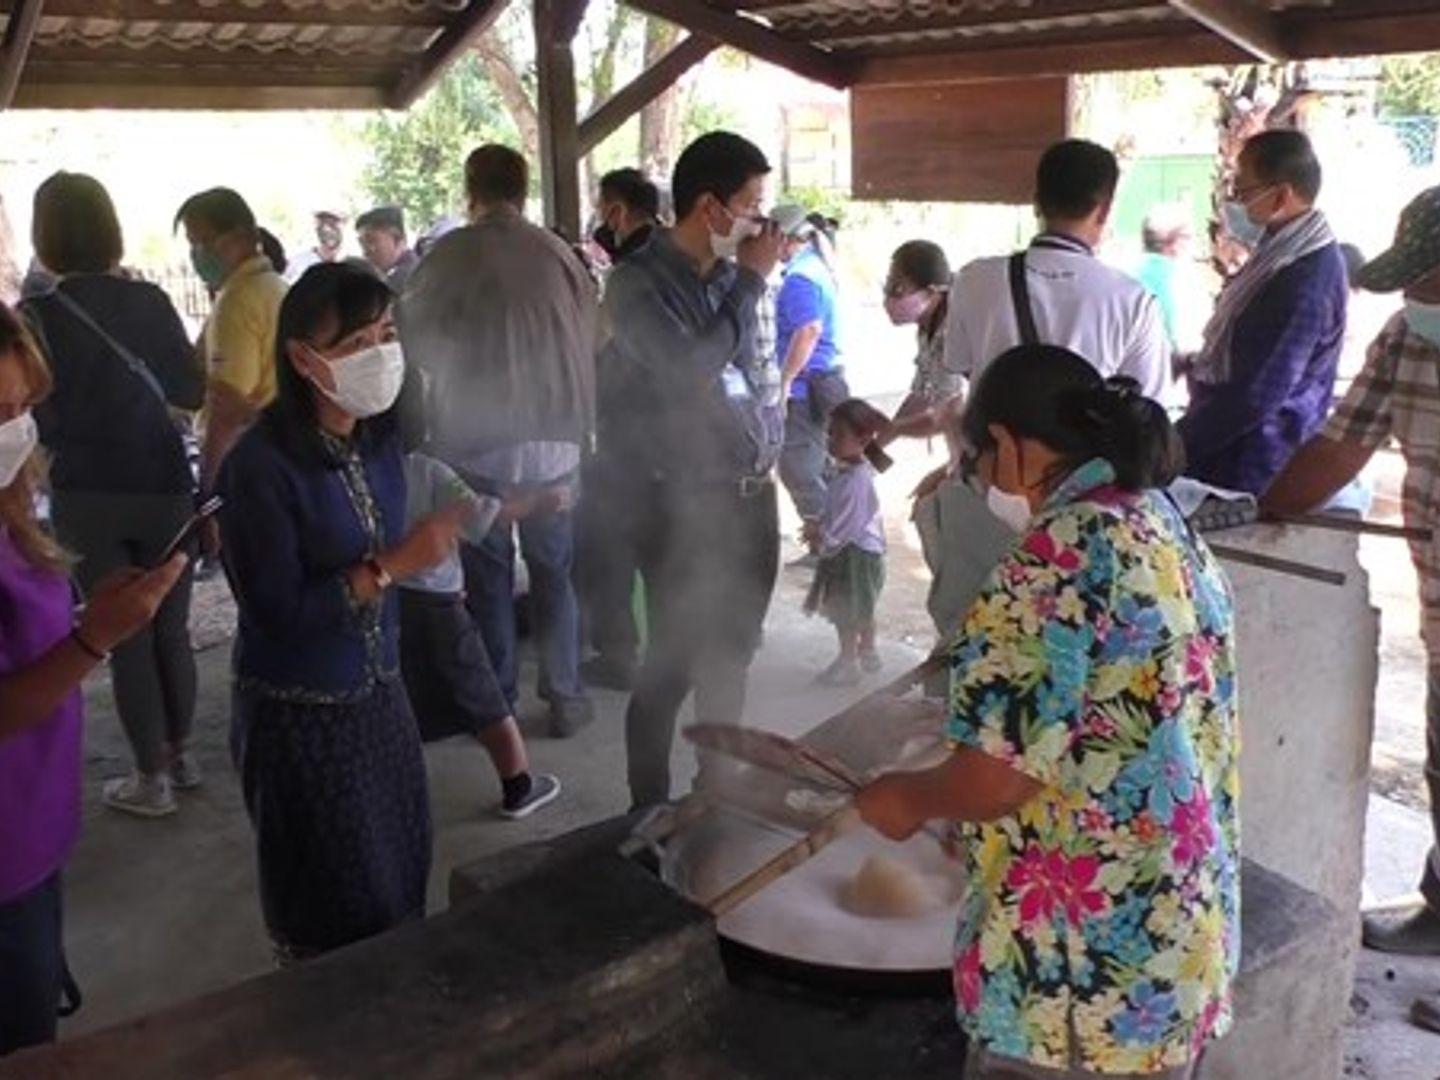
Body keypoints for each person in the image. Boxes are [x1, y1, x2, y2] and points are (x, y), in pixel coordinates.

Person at [858, 344, 1238, 1079]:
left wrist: (909, 796)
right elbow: (1115, 707)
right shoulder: (1161, 519)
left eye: (980, 456)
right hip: (1173, 943)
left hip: (1077, 976)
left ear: (1007, 443)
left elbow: (997, 782)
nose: (982, 477)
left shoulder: (1052, 555)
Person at [218, 262, 461, 963]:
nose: (380, 355)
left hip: (379, 696)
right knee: (333, 902)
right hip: (301, 716)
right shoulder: (258, 467)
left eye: (387, 334)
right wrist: (392, 567)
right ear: (302, 357)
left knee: (399, 876)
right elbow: (278, 615)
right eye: (357, 343)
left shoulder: (376, 440)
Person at [1263, 187, 1440, 1001]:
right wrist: (1262, 510)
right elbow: (1340, 444)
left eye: (1429, 279)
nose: (1416, 297)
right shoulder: (1408, 335)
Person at [0, 303, 189, 1055]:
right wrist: (93, 639)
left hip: (30, 829)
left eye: (20, 408)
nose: (12, 430)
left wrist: (90, 619)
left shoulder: (10, 507)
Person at [604, 130, 785, 808]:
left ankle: (718, 792)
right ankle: (646, 808)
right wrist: (751, 283)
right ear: (710, 208)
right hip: (679, 506)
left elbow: (757, 377)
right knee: (670, 668)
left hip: (748, 498)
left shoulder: (733, 279)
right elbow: (687, 371)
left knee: (731, 655)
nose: (760, 223)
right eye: (750, 205)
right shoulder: (636, 283)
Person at [23, 172, 206, 817]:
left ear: (44, 235)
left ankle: (148, 777)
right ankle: (182, 756)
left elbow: (31, 416)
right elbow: (190, 389)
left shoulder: (36, 317)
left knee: (119, 630)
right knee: (172, 630)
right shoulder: (152, 302)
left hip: (86, 492)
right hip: (162, 482)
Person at [401, 145, 597, 738]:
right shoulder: (560, 252)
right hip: (561, 436)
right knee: (554, 572)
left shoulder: (451, 254)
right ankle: (565, 693)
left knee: (487, 576)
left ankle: (500, 700)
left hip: (482, 437)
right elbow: (597, 331)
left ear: (471, 191)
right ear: (523, 188)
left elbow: (413, 332)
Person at [1178, 130, 1347, 495]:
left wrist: (1172, 447)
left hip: (1254, 462)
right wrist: (1194, 363)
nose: (1234, 203)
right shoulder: (1278, 255)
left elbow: (1257, 394)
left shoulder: (1302, 281)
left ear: (1282, 195)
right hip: (1234, 444)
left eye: (1243, 191)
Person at [398, 446, 562, 819]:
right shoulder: (427, 468)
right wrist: (536, 502)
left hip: (387, 597)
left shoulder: (356, 469)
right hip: (436, 599)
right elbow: (482, 515)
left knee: (402, 689)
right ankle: (519, 787)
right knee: (485, 696)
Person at [943, 139, 1172, 404]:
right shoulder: (1134, 301)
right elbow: (1149, 405)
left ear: (1036, 202)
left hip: (995, 442)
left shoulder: (973, 280)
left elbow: (962, 364)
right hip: (1086, 446)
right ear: (1105, 210)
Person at [176, 187, 288, 494]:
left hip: (246, 463)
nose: (198, 254)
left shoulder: (238, 301)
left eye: (203, 242)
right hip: (278, 454)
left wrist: (210, 486)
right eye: (192, 244)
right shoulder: (275, 286)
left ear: (242, 237)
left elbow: (229, 409)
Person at [802, 398, 889, 687]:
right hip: (857, 552)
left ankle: (850, 659)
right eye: (830, 433)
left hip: (853, 555)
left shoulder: (854, 480)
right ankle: (863, 650)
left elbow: (845, 526)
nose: (830, 440)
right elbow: (836, 511)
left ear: (863, 439)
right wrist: (819, 521)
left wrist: (819, 534)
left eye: (838, 434)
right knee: (858, 608)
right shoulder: (851, 471)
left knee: (848, 611)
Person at [772, 202, 846, 533]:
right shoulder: (816, 267)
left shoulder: (799, 278)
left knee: (798, 466)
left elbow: (808, 329)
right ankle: (837, 535)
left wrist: (785, 379)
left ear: (785, 239)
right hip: (826, 380)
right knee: (823, 463)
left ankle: (824, 539)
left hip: (807, 385)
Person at [877, 239, 958, 445]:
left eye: (898, 289)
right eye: (888, 285)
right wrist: (874, 453)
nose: (888, 298)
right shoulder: (928, 325)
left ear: (931, 293)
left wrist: (891, 433)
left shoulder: (954, 330)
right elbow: (921, 396)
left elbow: (943, 413)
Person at [1135, 203, 1207, 358]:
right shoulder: (1184, 281)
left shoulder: (1123, 269)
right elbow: (1189, 343)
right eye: (1189, 236)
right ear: (1175, 242)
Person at [593, 167, 660, 264]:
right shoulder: (672, 250)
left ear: (617, 212)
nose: (601, 219)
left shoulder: (629, 268)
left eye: (601, 209)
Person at [357, 206, 419, 293]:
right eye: (362, 243)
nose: (365, 252)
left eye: (371, 240)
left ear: (398, 239)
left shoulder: (408, 278)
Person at [283, 209, 346, 284]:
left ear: (344, 226)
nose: (327, 229)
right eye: (322, 223)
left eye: (332, 224)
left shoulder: (353, 263)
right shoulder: (297, 262)